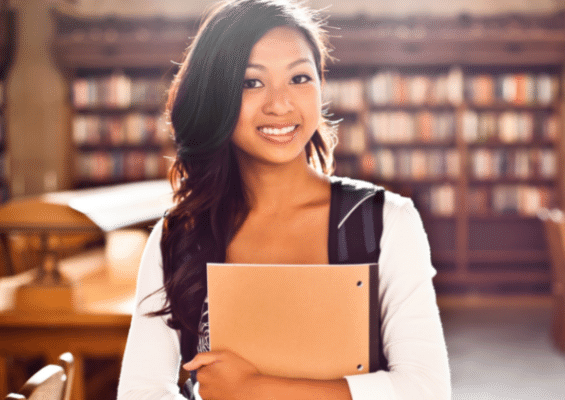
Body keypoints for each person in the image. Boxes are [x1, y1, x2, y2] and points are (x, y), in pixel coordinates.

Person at [116, 0, 451, 399]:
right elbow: (141, 391)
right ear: (215, 97)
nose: (280, 103)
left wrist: (254, 388)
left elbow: (426, 390)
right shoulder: (179, 236)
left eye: (299, 78)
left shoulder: (386, 222)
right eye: (251, 82)